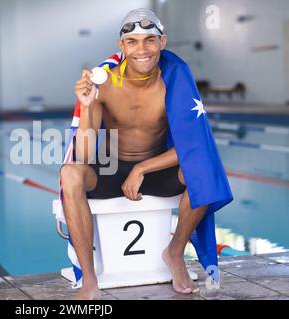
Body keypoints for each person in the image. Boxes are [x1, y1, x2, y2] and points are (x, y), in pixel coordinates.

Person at [60, 8, 207, 300]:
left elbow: (193, 146)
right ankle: (90, 279)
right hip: (111, 168)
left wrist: (142, 169)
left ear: (162, 42)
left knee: (203, 170)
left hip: (154, 169)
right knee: (70, 173)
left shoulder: (174, 84)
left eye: (149, 40)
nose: (142, 49)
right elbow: (86, 153)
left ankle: (175, 253)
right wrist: (88, 104)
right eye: (133, 42)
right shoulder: (106, 85)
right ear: (122, 47)